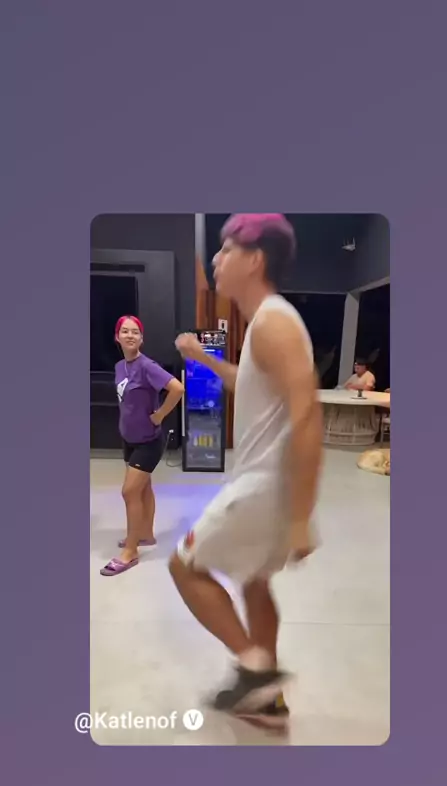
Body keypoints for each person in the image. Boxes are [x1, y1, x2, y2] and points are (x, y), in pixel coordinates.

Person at [171, 214, 324, 728]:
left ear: (255, 260)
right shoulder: (267, 322)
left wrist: (300, 517)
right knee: (255, 582)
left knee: (183, 567)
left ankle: (255, 671)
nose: (215, 260)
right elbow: (251, 382)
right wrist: (203, 358)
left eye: (226, 249)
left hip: (265, 487)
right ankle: (269, 702)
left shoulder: (275, 322)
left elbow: (308, 413)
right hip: (270, 487)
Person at [101, 315, 184, 576]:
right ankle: (145, 534)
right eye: (125, 331)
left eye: (135, 332)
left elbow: (177, 388)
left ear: (141, 338)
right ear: (117, 337)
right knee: (143, 488)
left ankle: (131, 551)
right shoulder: (120, 367)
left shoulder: (147, 366)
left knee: (129, 492)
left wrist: (160, 415)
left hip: (148, 441)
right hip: (129, 438)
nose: (130, 335)